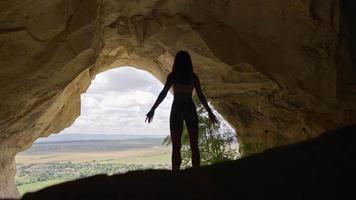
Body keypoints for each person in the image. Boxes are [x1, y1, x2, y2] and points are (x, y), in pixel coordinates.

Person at [145, 50, 217, 171]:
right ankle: (196, 174)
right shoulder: (193, 77)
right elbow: (200, 95)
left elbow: (163, 93)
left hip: (177, 109)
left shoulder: (173, 76)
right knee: (194, 146)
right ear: (189, 62)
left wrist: (153, 109)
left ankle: (176, 176)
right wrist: (209, 111)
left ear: (176, 62)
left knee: (176, 147)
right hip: (190, 108)